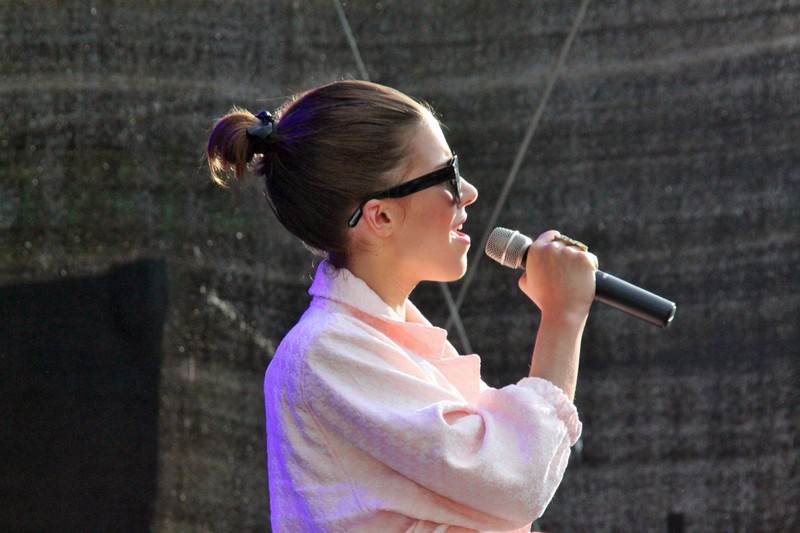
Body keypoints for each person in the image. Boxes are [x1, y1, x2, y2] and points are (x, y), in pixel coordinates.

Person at [206, 80, 598, 532]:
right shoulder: (326, 352)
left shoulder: (384, 338)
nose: (468, 191)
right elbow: (515, 479)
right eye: (447, 175)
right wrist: (563, 316)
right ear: (382, 216)